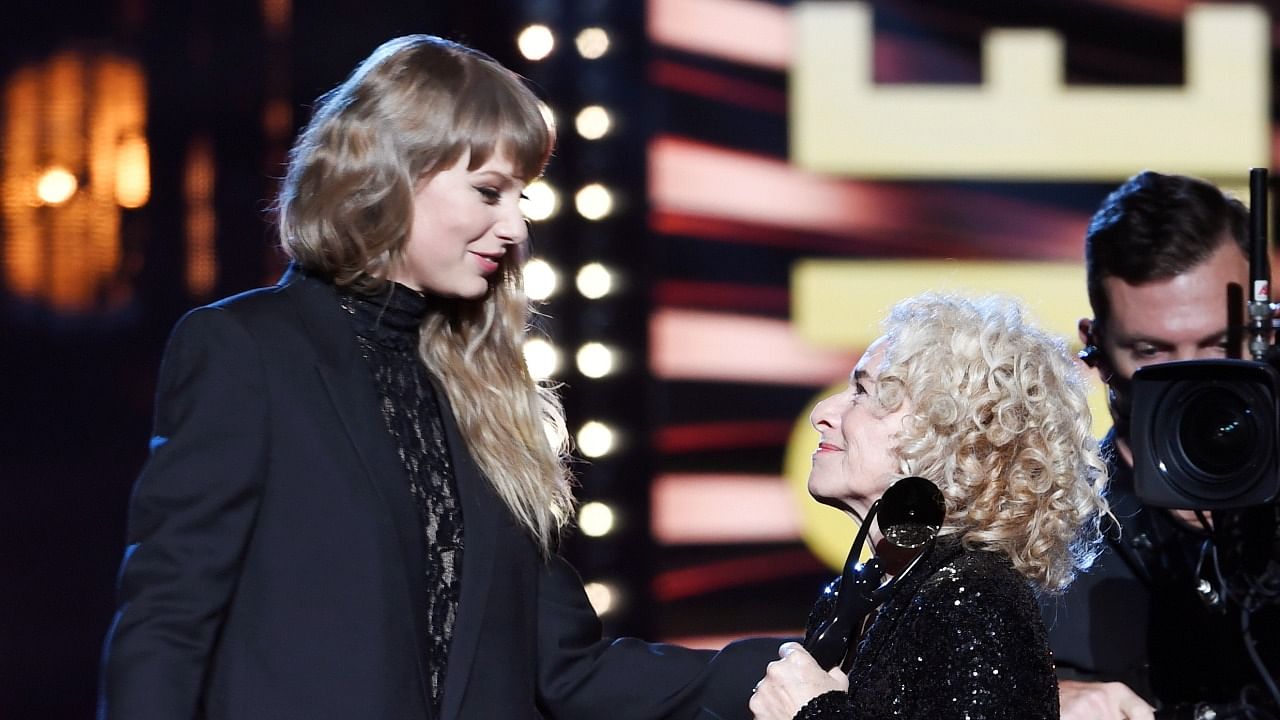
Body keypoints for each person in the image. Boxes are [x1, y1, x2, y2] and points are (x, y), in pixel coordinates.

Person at [97, 34, 775, 720]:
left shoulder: (484, 397)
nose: (514, 227)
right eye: (489, 192)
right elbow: (167, 622)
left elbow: (565, 669)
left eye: (522, 199)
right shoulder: (246, 351)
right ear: (392, 172)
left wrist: (770, 674)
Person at [748, 293, 1110, 720]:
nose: (824, 413)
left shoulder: (975, 599)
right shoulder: (861, 594)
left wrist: (814, 713)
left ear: (953, 437)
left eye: (863, 393)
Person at [1046, 170, 1279, 720]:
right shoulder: (1040, 540)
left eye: (1221, 344)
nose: (1191, 379)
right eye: (1153, 352)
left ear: (1267, 335)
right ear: (1096, 350)